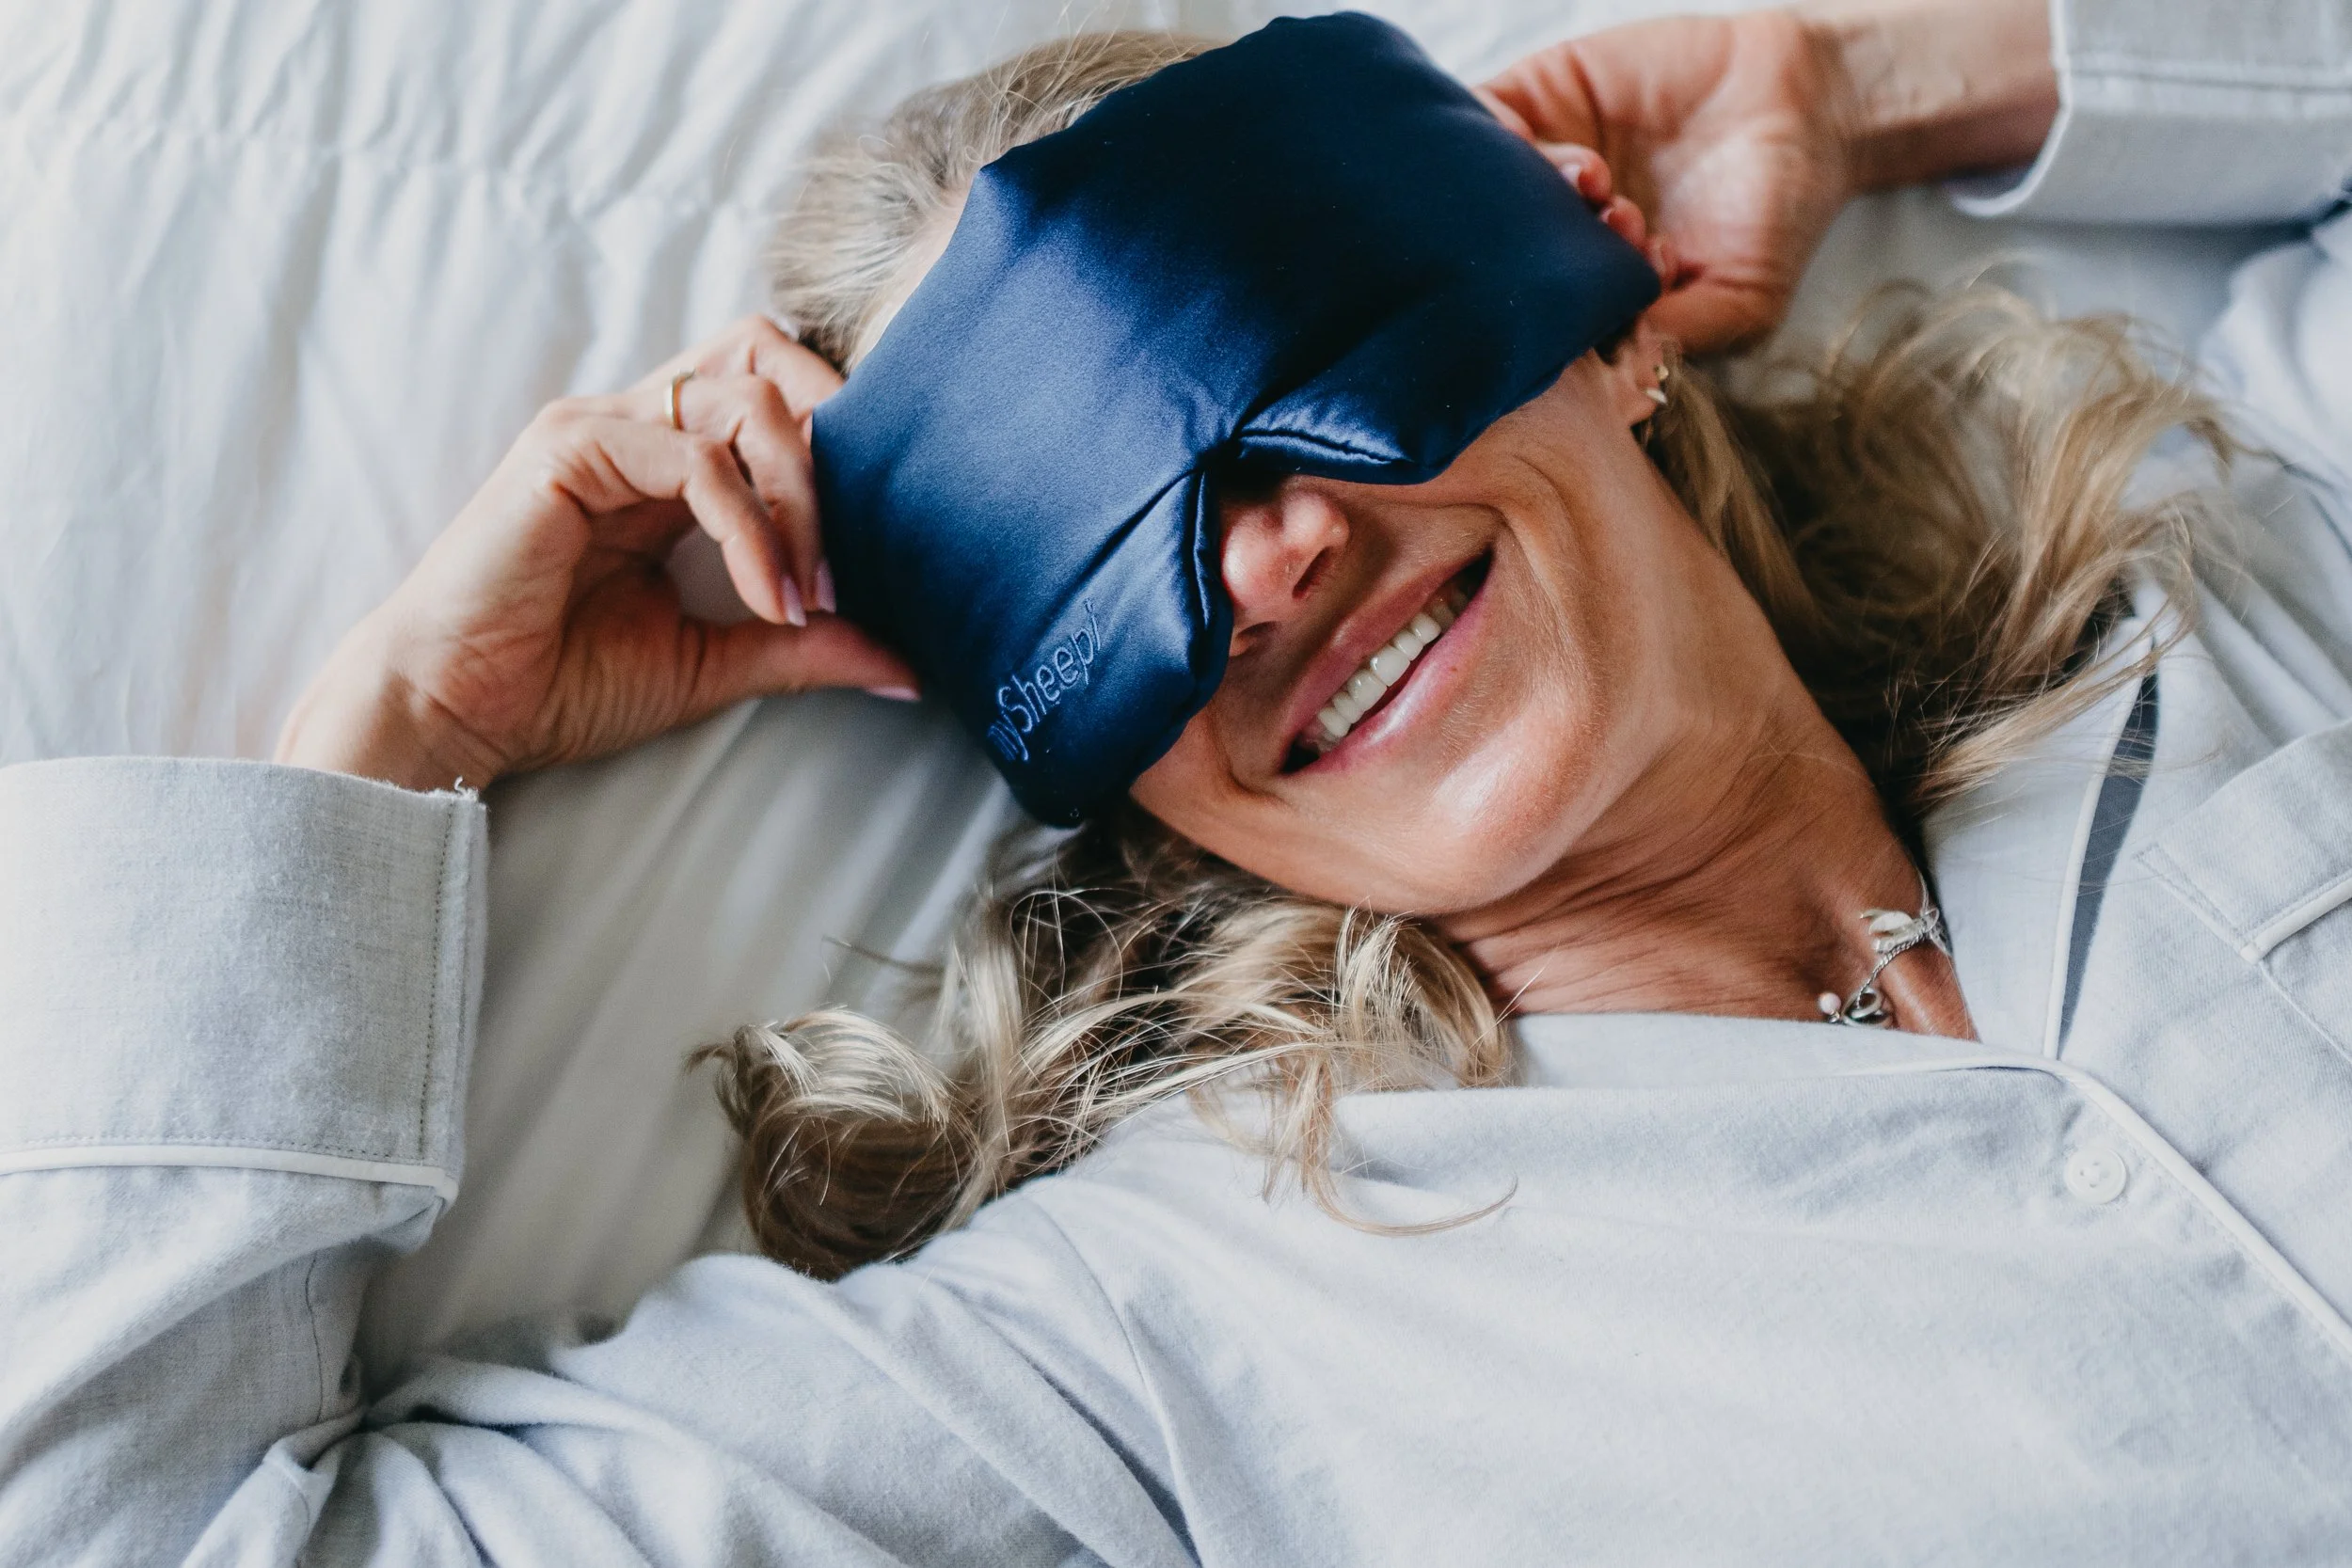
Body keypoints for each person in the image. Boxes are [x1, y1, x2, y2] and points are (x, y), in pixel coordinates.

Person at [5, 0, 2350, 1560]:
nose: (1261, 564)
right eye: (1077, 559)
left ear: (1601, 320)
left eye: (1303, 370)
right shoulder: (1166, 1342)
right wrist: (397, 739)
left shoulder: (2228, 548)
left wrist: (1859, 71)